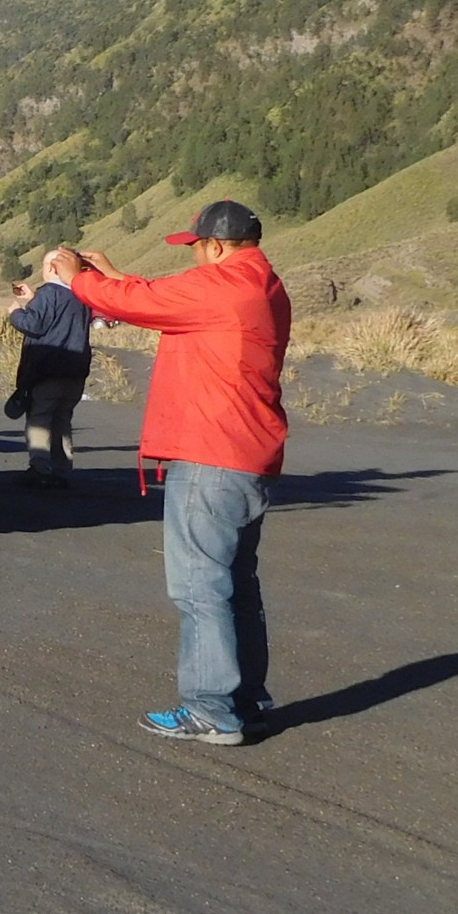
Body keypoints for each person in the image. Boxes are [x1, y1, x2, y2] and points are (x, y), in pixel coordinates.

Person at [57, 201, 291, 746]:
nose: (196, 257)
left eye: (196, 248)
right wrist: (116, 277)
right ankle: (245, 700)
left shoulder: (224, 287)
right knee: (236, 585)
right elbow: (164, 299)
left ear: (214, 246)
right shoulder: (263, 286)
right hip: (248, 455)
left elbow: (152, 302)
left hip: (211, 454)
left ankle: (211, 708)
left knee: (200, 588)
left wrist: (80, 282)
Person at [6, 248, 92, 489]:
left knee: (40, 419)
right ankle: (62, 469)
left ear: (53, 268)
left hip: (48, 370)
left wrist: (16, 313)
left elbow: (34, 325)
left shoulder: (49, 294)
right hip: (75, 371)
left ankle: (40, 467)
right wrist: (34, 300)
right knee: (62, 419)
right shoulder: (83, 296)